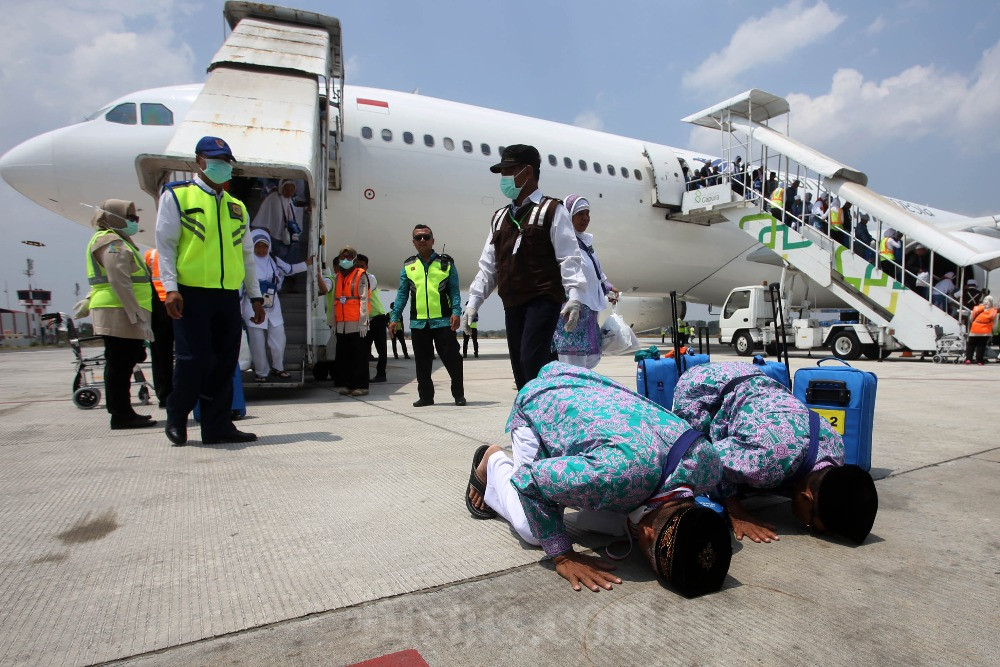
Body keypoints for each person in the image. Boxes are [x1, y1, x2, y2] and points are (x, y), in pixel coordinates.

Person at [465, 362, 732, 597]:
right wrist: (562, 555)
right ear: (647, 534)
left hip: (586, 385)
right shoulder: (614, 478)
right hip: (542, 402)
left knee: (609, 520)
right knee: (533, 531)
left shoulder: (708, 463)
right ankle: (494, 461)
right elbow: (529, 482)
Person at [672, 362, 879, 545]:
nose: (806, 525)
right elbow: (708, 459)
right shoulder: (767, 464)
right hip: (701, 385)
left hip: (748, 374)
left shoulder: (836, 447)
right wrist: (736, 512)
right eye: (811, 525)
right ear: (806, 498)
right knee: (693, 443)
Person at [155, 136, 264, 446]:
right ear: (199, 161)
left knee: (225, 361)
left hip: (227, 294)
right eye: (214, 159)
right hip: (191, 293)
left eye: (226, 160)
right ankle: (177, 418)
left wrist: (255, 296)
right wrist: (170, 289)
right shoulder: (178, 197)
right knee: (194, 360)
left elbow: (246, 256)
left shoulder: (236, 206)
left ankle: (217, 426)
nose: (221, 165)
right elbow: (165, 246)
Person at [465, 144, 586, 389]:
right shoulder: (500, 217)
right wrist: (473, 302)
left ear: (527, 172)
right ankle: (539, 417)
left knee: (530, 360)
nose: (503, 178)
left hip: (542, 298)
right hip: (512, 303)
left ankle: (540, 418)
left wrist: (574, 296)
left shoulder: (553, 210)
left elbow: (569, 257)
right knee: (523, 370)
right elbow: (489, 266)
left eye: (508, 171)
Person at [85, 199, 156, 430]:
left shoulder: (118, 240)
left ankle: (122, 411)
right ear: (114, 218)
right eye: (130, 218)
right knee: (120, 364)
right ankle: (121, 414)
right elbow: (119, 280)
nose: (134, 222)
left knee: (123, 362)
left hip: (120, 310)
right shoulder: (111, 242)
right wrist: (136, 314)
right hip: (119, 311)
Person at [389, 225, 465, 406]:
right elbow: (402, 294)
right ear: (413, 242)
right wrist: (394, 318)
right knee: (422, 363)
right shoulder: (408, 266)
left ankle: (458, 395)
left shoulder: (445, 263)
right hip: (418, 323)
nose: (422, 240)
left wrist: (456, 311)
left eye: (426, 236)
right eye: (418, 238)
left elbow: (454, 290)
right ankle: (425, 397)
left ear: (433, 240)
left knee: (452, 359)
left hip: (443, 321)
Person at [552, 195, 618, 369]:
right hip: (571, 309)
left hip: (588, 312)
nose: (585, 218)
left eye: (587, 213)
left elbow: (594, 271)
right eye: (580, 213)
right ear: (568, 216)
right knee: (572, 364)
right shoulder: (563, 241)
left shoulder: (585, 243)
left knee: (590, 359)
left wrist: (607, 287)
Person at [243, 230, 308, 382]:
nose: (261, 250)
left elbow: (289, 269)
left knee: (279, 337)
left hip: (272, 304)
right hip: (252, 304)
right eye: (257, 246)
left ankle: (278, 368)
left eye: (264, 246)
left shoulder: (273, 260)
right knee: (257, 341)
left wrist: (307, 264)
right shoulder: (245, 262)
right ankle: (261, 372)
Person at [319, 246, 370, 396]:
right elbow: (335, 301)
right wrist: (333, 322)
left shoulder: (361, 275)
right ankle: (348, 385)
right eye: (342, 258)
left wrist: (363, 322)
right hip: (341, 324)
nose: (345, 260)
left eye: (349, 258)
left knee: (359, 357)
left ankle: (362, 386)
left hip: (356, 324)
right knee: (344, 357)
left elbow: (364, 299)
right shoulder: (338, 276)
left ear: (354, 259)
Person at [144, 247, 174, 408]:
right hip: (176, 302)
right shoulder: (178, 249)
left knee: (161, 354)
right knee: (186, 352)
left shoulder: (150, 254)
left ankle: (165, 395)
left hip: (157, 304)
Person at [355, 254, 388, 382]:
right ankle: (364, 376)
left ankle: (381, 374)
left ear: (367, 266)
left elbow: (365, 290)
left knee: (381, 349)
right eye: (357, 266)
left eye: (362, 266)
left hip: (377, 317)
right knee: (363, 350)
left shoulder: (370, 278)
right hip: (364, 319)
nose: (359, 269)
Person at [250, 179, 300, 263]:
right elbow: (263, 213)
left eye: (292, 190)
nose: (289, 192)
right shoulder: (273, 198)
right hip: (273, 237)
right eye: (286, 189)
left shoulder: (290, 201)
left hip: (286, 238)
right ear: (281, 188)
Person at [965, 295, 996, 365]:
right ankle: (979, 361)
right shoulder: (993, 311)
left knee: (971, 345)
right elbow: (994, 321)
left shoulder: (977, 308)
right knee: (981, 346)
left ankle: (968, 359)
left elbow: (971, 319)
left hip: (975, 329)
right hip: (985, 331)